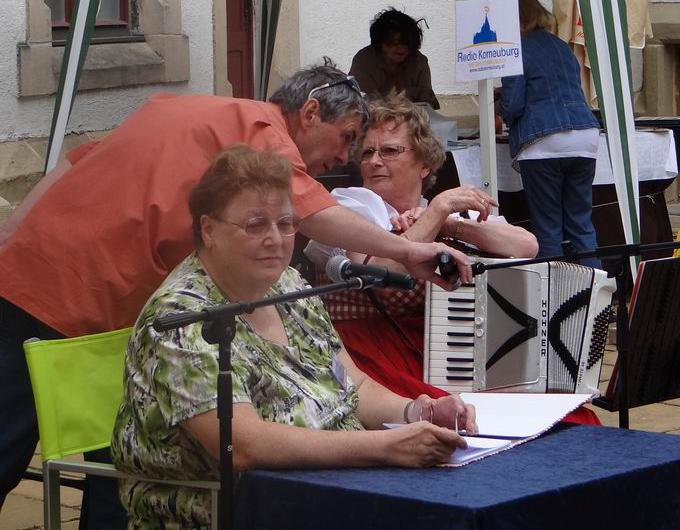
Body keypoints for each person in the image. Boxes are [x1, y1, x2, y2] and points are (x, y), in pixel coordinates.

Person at [0, 60, 485, 516]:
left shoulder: (184, 109)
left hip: (40, 276)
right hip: (70, 294)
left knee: (116, 456)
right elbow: (312, 212)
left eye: (282, 226)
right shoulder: (261, 129)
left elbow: (76, 161)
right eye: (346, 138)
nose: (344, 156)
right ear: (309, 112)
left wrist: (12, 239)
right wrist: (407, 251)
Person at [112, 145, 474, 529]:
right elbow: (243, 445)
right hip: (234, 513)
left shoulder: (287, 283)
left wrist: (417, 412)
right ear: (209, 230)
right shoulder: (182, 318)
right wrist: (386, 446)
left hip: (333, 491)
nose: (276, 239)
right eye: (256, 225)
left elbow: (353, 386)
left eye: (286, 224)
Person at [305, 95, 538, 397]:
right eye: (367, 153)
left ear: (425, 164)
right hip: (369, 356)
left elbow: (526, 246)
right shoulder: (351, 204)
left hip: (450, 353)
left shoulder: (442, 213)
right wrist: (436, 212)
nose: (374, 161)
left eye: (390, 151)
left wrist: (447, 223)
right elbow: (379, 277)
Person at [499, 0, 600, 264]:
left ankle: (553, 289)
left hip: (543, 141)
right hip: (585, 136)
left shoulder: (515, 49)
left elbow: (513, 104)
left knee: (548, 228)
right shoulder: (562, 46)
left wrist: (499, 108)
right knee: (581, 225)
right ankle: (597, 288)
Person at [349, 7, 439, 107]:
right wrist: (412, 93)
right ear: (379, 43)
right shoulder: (363, 61)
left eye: (407, 43)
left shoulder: (419, 61)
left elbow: (428, 102)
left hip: (414, 116)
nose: (402, 49)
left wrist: (388, 98)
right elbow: (362, 103)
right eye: (395, 44)